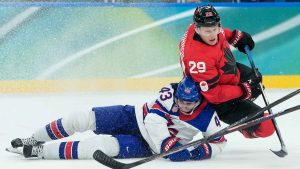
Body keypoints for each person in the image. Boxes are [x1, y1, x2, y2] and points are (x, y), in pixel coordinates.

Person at [9, 76, 226, 161]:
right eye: (181, 101)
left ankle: (39, 152)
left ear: (199, 100)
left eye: (190, 103)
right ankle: (34, 138)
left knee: (97, 146)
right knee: (80, 118)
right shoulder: (170, 91)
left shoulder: (208, 117)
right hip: (132, 116)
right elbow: (153, 119)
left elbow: (219, 141)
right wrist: (168, 145)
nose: (184, 106)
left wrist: (198, 152)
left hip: (146, 145)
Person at [179, 5, 275, 139]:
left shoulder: (204, 26)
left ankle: (244, 102)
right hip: (218, 101)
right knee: (267, 128)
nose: (213, 34)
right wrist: (243, 91)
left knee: (256, 79)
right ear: (197, 29)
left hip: (226, 71)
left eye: (215, 29)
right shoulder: (197, 58)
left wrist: (235, 36)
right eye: (208, 31)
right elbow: (214, 95)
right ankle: (242, 125)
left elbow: (220, 31)